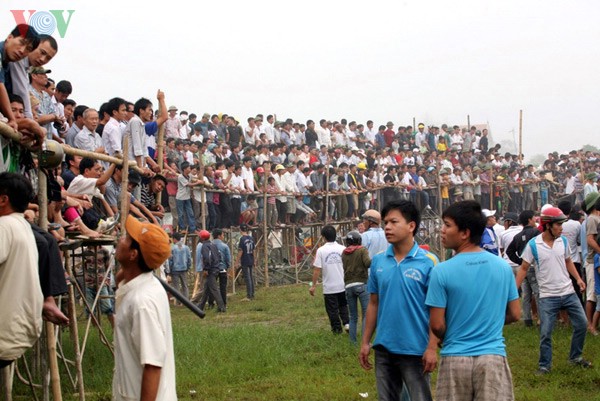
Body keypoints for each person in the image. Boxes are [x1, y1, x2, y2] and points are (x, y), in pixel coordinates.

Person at [426, 200, 520, 400]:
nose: (442, 230)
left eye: (447, 225)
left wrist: (449, 333)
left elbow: (437, 324)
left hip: (454, 358)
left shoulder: (441, 271)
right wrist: (489, 321)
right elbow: (515, 314)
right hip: (493, 357)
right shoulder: (502, 267)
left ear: (465, 233)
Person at [359, 200, 439, 401]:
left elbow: (436, 309)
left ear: (411, 226)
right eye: (385, 222)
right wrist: (366, 341)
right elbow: (374, 303)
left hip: (415, 349)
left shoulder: (429, 262)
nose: (387, 227)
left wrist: (431, 347)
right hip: (384, 348)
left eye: (394, 222)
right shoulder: (378, 260)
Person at [516, 206, 591, 375]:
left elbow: (568, 261)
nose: (561, 228)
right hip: (547, 296)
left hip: (568, 292)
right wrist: (514, 290)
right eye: (558, 224)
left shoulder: (563, 241)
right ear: (548, 225)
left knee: (582, 324)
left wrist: (578, 279)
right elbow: (524, 268)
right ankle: (544, 365)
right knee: (546, 333)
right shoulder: (533, 245)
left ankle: (575, 357)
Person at [112, 215, 176, 400]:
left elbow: (153, 365)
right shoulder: (148, 285)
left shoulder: (141, 303)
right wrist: (124, 272)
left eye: (127, 238)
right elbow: (122, 279)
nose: (121, 239)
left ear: (133, 255)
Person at [0, 172, 43, 367]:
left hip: (6, 332)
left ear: (3, 200)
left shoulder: (4, 225)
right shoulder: (23, 225)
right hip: (21, 329)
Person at [309, 225, 349, 334]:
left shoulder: (321, 250)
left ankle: (337, 330)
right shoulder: (342, 248)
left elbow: (317, 269)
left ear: (323, 237)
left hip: (329, 287)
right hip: (342, 284)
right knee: (343, 305)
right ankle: (347, 323)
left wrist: (313, 286)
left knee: (332, 310)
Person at [341, 230, 370, 344]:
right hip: (361, 284)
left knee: (353, 316)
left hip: (348, 286)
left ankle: (352, 342)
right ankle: (364, 341)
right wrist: (377, 258)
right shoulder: (362, 250)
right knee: (366, 314)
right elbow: (367, 263)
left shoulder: (344, 253)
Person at [197, 230, 226, 313]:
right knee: (206, 288)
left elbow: (207, 258)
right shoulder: (213, 245)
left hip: (210, 269)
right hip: (216, 268)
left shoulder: (205, 246)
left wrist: (206, 269)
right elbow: (219, 256)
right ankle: (201, 306)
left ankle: (221, 307)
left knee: (214, 289)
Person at [168, 232, 192, 304]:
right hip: (184, 268)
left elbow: (170, 260)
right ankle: (186, 300)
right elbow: (189, 259)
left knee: (176, 286)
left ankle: (178, 301)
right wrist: (188, 267)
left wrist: (169, 270)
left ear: (174, 239)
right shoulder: (186, 247)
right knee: (185, 285)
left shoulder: (172, 248)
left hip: (175, 269)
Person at [212, 228, 232, 308]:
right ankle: (223, 303)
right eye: (223, 235)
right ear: (219, 236)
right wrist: (228, 267)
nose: (223, 236)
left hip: (213, 269)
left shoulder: (210, 245)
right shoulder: (224, 246)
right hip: (222, 268)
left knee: (212, 287)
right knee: (223, 287)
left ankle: (211, 303)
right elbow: (228, 258)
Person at [237, 224, 256, 301]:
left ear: (240, 230)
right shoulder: (251, 238)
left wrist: (237, 261)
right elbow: (254, 250)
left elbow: (240, 251)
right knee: (250, 276)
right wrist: (255, 259)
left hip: (245, 259)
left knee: (247, 278)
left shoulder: (242, 239)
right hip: (251, 258)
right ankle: (252, 293)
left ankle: (249, 295)